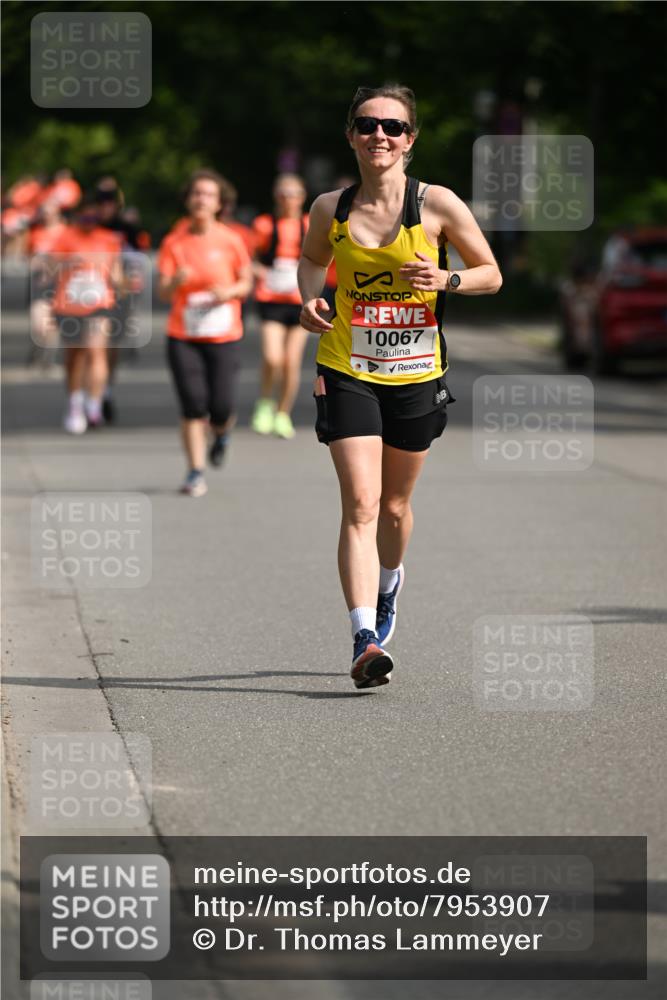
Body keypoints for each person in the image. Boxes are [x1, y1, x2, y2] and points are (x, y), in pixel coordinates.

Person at [298, 84, 502, 689]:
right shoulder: (328, 207)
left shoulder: (436, 204)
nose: (378, 135)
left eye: (392, 126)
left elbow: (491, 274)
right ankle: (364, 638)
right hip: (347, 366)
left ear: (409, 139)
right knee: (360, 504)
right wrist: (308, 298)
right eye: (366, 124)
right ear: (351, 136)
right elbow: (311, 260)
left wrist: (447, 278)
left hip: (417, 374)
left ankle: (390, 583)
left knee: (394, 506)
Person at [158, 169, 253, 497]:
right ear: (187, 199)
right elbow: (163, 292)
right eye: (196, 193)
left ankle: (222, 433)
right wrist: (175, 281)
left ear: (219, 203)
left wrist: (229, 293)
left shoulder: (230, 239)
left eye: (208, 195)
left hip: (223, 334)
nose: (201, 199)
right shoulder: (175, 241)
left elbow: (246, 281)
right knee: (193, 405)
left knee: (222, 406)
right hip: (183, 334)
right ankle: (195, 471)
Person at [49, 199, 123, 433]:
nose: (89, 223)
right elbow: (48, 269)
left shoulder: (108, 239)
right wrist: (67, 263)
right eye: (85, 218)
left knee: (96, 351)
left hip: (99, 303)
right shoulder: (65, 237)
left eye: (94, 219)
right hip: (69, 305)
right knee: (75, 357)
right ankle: (75, 404)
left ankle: (94, 404)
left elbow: (118, 276)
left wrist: (124, 283)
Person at [251, 174, 309, 440]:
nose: (288, 199)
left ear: (302, 197)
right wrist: (260, 272)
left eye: (293, 193)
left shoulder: (310, 224)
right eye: (283, 193)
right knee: (272, 357)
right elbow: (248, 258)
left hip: (300, 301)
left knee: (291, 362)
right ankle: (265, 402)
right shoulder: (264, 225)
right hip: (271, 298)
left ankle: (283, 413)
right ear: (276, 197)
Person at [26, 199, 69, 366]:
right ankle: (39, 348)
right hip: (39, 284)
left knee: (53, 323)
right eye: (44, 212)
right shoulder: (36, 233)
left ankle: (48, 358)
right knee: (38, 324)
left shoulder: (66, 232)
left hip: (60, 283)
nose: (47, 215)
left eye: (50, 211)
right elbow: (29, 256)